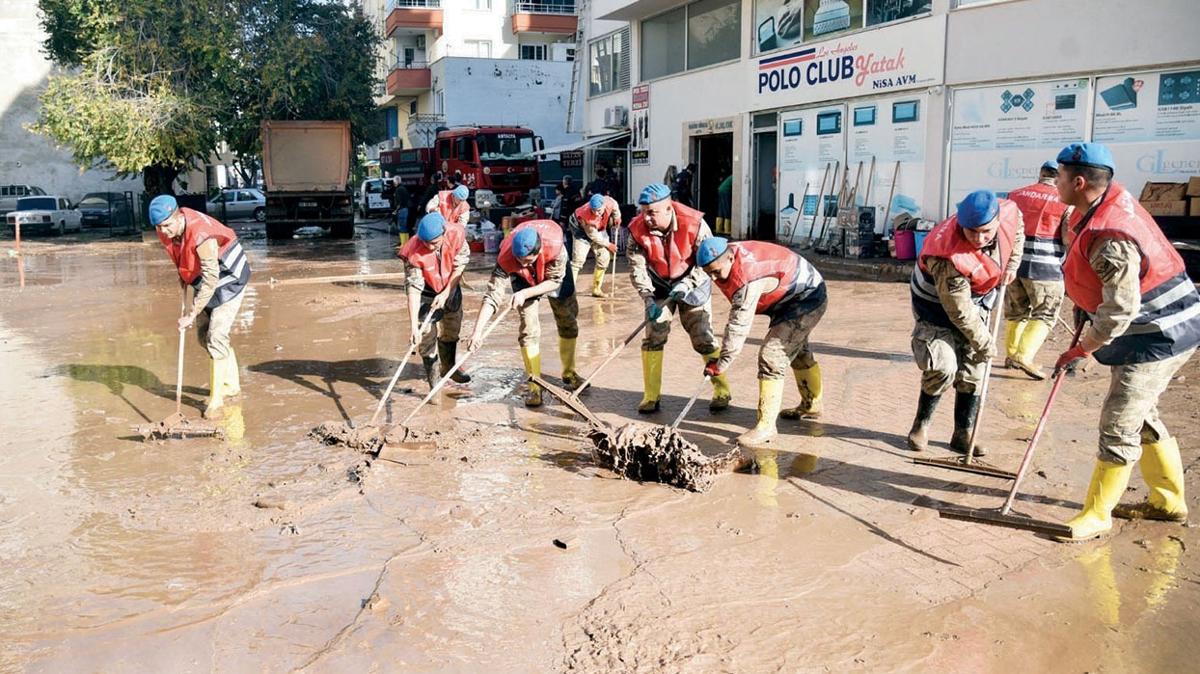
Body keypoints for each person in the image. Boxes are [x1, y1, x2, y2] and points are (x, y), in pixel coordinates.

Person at [1051, 142, 1200, 541]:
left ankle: (1098, 513)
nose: (1055, 183)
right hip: (1154, 328)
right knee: (1141, 412)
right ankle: (1169, 502)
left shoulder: (1110, 234)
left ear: (1078, 181)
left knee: (1120, 418)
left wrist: (1083, 348)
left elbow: (1119, 309)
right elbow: (1095, 284)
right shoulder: (1098, 210)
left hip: (1161, 335)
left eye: (1060, 176)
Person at [906, 189, 1024, 456]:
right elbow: (959, 312)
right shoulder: (947, 255)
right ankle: (921, 425)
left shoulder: (1007, 212)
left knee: (974, 371)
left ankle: (963, 432)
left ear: (996, 219)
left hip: (979, 299)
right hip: (936, 307)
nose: (980, 239)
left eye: (986, 231)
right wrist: (985, 343)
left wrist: (1012, 265)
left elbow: (1016, 231)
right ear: (961, 224)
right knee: (943, 366)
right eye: (972, 233)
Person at [697, 238, 827, 447]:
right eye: (708, 273)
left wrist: (721, 364)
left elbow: (738, 325)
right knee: (797, 352)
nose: (713, 278)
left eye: (715, 271)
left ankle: (766, 427)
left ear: (730, 257)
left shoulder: (747, 276)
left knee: (772, 355)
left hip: (807, 297)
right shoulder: (728, 257)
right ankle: (812, 404)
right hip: (788, 296)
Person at [626, 183, 731, 414]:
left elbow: (709, 263)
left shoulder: (694, 223)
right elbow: (637, 268)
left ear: (668, 208)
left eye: (651, 212)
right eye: (643, 211)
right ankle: (651, 396)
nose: (646, 218)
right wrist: (647, 298)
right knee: (654, 336)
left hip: (693, 281)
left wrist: (687, 283)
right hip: (659, 285)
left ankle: (721, 389)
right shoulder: (635, 230)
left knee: (702, 337)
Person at [150, 195, 252, 420]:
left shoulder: (201, 236)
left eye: (167, 225)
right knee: (204, 337)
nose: (164, 231)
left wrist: (193, 312)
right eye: (159, 227)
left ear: (177, 217)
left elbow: (211, 279)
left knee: (216, 337)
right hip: (203, 281)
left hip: (229, 280)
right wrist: (185, 293)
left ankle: (217, 400)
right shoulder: (167, 230)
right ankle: (232, 385)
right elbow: (181, 261)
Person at [467, 220, 580, 407]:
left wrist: (525, 293)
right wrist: (477, 332)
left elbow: (555, 281)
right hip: (523, 280)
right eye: (519, 260)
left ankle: (569, 373)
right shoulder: (506, 258)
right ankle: (535, 385)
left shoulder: (555, 245)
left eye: (527, 260)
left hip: (553, 275)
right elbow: (492, 296)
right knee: (528, 329)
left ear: (538, 251)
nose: (522, 263)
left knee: (567, 319)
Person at [1003, 160, 1070, 379]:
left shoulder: (1014, 195)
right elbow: (1068, 237)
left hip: (1014, 264)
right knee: (1046, 312)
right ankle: (1024, 355)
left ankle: (1012, 354)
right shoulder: (1065, 200)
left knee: (1016, 310)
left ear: (1040, 174)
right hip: (1046, 267)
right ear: (1058, 176)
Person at [398, 212, 472, 392]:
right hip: (426, 292)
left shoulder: (457, 234)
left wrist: (447, 292)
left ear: (443, 233)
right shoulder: (412, 252)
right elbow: (414, 288)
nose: (428, 247)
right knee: (425, 336)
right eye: (425, 243)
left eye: (433, 243)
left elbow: (460, 265)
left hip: (450, 286)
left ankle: (448, 367)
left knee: (452, 329)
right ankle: (434, 385)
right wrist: (414, 326)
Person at [570, 194, 621, 298]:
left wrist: (617, 217)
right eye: (593, 210)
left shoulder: (609, 202)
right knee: (578, 261)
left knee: (604, 258)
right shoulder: (587, 216)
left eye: (598, 210)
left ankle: (596, 289)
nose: (596, 213)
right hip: (581, 230)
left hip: (598, 228)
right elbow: (593, 236)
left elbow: (615, 205)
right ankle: (569, 291)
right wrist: (608, 244)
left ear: (604, 205)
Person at [391, 177, 411, 243]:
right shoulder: (404, 188)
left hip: (401, 210)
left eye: (394, 182)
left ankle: (403, 244)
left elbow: (399, 202)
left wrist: (395, 210)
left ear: (397, 182)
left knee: (401, 227)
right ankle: (406, 243)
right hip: (406, 209)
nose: (393, 183)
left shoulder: (398, 190)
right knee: (405, 226)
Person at [716, 167, 734, 235]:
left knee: (721, 209)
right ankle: (727, 229)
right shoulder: (734, 177)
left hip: (720, 190)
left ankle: (718, 228)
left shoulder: (730, 177)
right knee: (726, 208)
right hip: (725, 191)